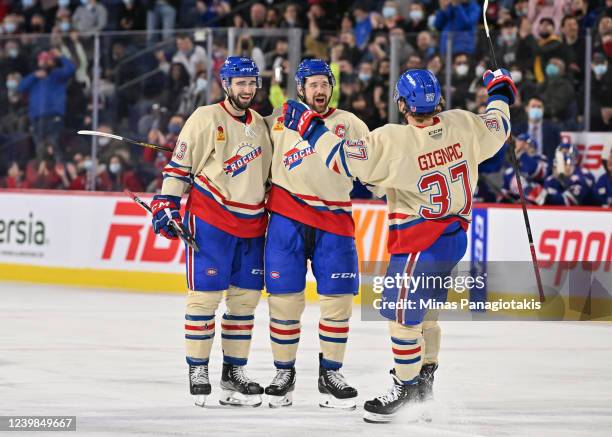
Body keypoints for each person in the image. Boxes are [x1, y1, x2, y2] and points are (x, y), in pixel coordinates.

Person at [282, 67, 516, 422]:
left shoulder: (394, 140)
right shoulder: (464, 124)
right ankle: (424, 380)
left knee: (401, 319)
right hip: (454, 237)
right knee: (427, 316)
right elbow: (499, 124)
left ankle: (405, 387)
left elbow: (341, 159)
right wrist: (500, 90)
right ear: (438, 99)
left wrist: (310, 127)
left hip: (419, 240)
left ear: (402, 104)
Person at [150, 57, 272, 408]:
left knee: (244, 303)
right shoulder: (205, 117)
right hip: (212, 220)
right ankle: (198, 369)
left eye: (251, 83)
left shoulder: (262, 125)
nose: (247, 89)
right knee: (204, 299)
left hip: (252, 224)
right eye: (240, 83)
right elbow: (180, 165)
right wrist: (168, 204)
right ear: (226, 83)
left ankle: (233, 372)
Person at [262, 59, 369, 409]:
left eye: (325, 83)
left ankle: (331, 374)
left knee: (338, 303)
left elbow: (373, 166)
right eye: (313, 84)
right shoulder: (278, 119)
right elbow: (245, 153)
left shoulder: (349, 123)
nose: (320, 90)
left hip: (335, 223)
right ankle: (284, 373)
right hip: (286, 220)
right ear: (300, 88)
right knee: (284, 302)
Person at [17, 50, 75, 162]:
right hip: (37, 118)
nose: (44, 62)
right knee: (40, 147)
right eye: (42, 60)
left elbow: (71, 70)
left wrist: (61, 56)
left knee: (54, 145)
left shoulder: (58, 75)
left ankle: (58, 172)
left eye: (47, 60)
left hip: (54, 117)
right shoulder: (34, 77)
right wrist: (34, 76)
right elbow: (21, 87)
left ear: (52, 62)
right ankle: (43, 171)